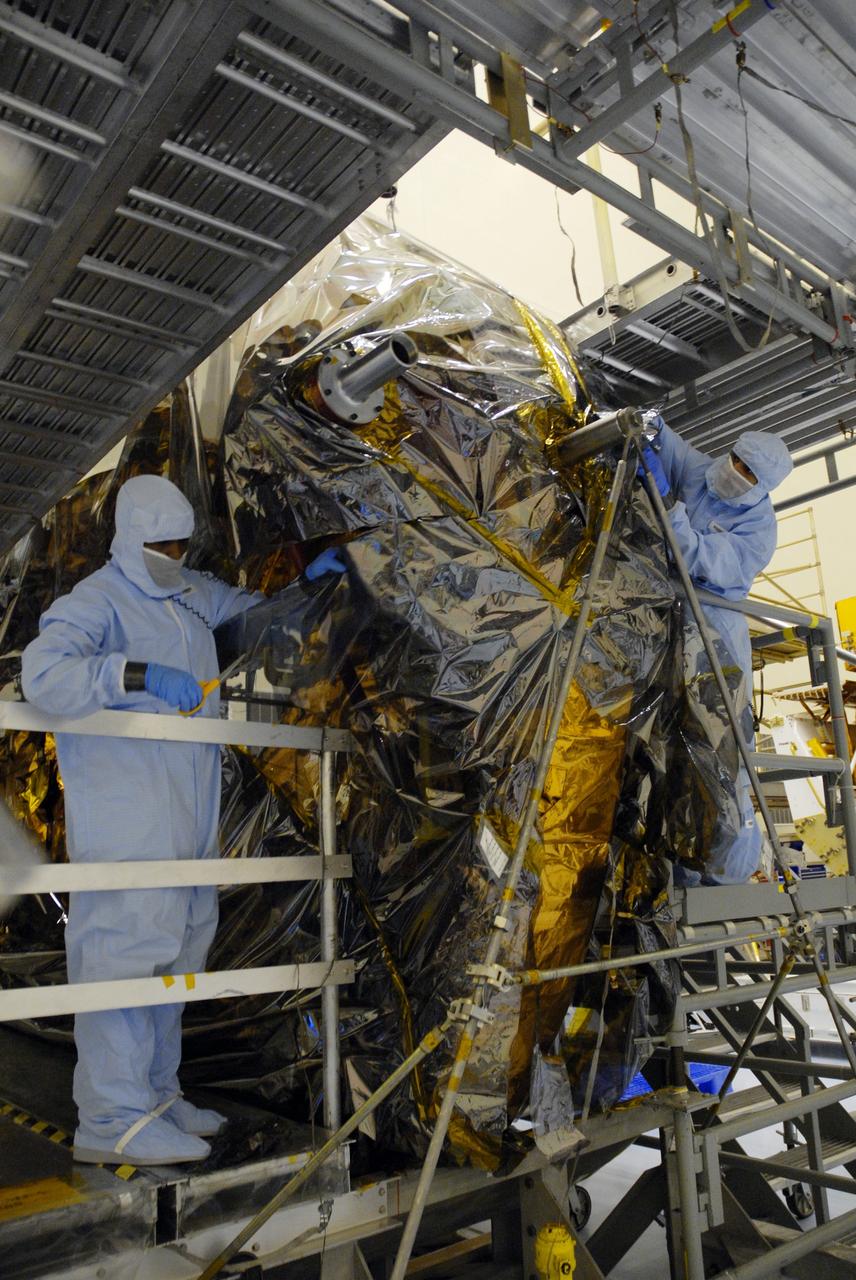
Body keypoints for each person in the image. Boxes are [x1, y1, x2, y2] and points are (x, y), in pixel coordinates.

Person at [21, 475, 343, 1166]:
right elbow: (43, 677)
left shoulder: (193, 593)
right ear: (130, 539)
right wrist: (134, 675)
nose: (170, 552)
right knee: (124, 953)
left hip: (189, 810)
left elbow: (253, 623)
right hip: (127, 815)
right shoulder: (98, 601)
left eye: (178, 541)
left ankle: (155, 1096)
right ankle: (111, 1117)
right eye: (158, 543)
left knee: (175, 951)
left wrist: (307, 591)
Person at [640, 418, 793, 884]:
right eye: (736, 458)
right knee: (662, 745)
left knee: (718, 756)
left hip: (716, 641)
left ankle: (724, 870)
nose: (734, 470)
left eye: (747, 471)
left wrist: (669, 507)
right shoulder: (709, 472)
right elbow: (678, 451)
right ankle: (667, 868)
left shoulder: (760, 531)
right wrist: (655, 429)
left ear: (761, 487)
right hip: (671, 624)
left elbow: (697, 557)